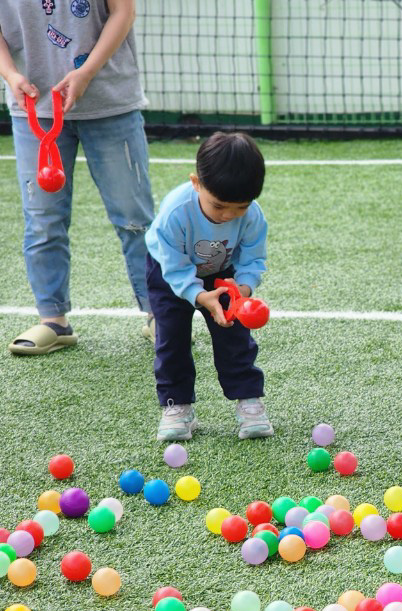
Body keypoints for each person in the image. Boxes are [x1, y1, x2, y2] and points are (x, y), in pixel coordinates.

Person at [2, 0, 155, 354]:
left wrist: (85, 73)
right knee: (42, 221)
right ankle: (53, 320)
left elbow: (124, 11)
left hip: (111, 102)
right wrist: (10, 74)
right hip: (34, 108)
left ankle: (159, 313)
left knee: (135, 219)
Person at [145, 132, 272, 441]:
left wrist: (242, 292)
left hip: (224, 277)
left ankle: (249, 401)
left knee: (236, 338)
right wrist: (199, 296)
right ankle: (177, 406)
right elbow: (174, 267)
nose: (228, 215)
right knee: (172, 339)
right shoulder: (175, 213)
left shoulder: (253, 216)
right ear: (196, 183)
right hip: (169, 276)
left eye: (240, 208)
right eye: (219, 206)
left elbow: (253, 259)